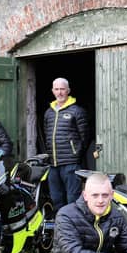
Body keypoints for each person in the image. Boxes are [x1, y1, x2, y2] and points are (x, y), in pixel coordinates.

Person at [44, 78, 90, 211]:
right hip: (53, 164)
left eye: (62, 89)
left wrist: (76, 154)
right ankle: (61, 228)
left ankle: (74, 228)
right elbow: (47, 134)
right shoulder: (49, 113)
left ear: (68, 91)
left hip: (71, 163)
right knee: (56, 198)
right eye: (57, 89)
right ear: (53, 91)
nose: (59, 92)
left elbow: (85, 137)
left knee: (72, 198)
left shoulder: (77, 111)